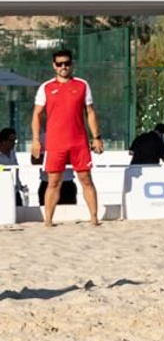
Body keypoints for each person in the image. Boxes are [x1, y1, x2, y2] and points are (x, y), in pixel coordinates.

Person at [32, 49, 104, 227]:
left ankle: (94, 218)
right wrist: (36, 140)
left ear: (72, 64)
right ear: (54, 66)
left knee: (86, 179)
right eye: (59, 64)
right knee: (53, 182)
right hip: (55, 143)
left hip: (79, 142)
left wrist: (97, 137)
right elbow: (36, 115)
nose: (63, 67)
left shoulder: (82, 85)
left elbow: (90, 112)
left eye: (67, 63)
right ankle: (48, 221)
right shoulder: (46, 87)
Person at [2, 127, 20, 207]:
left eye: (15, 141)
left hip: (15, 190)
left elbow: (15, 171)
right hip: (2, 192)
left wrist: (20, 186)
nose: (13, 143)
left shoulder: (12, 153)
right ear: (3, 141)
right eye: (11, 141)